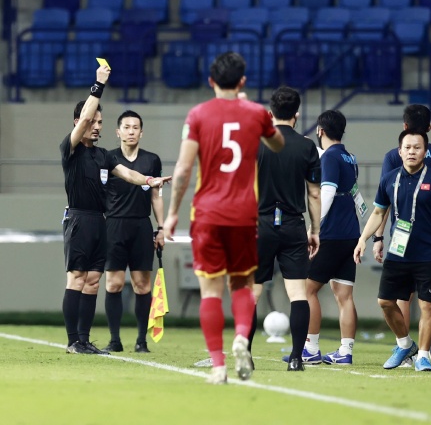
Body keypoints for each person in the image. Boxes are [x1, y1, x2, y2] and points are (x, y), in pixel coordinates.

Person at [163, 52, 285, 385]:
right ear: (242, 81)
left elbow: (185, 168)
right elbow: (277, 143)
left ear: (211, 81)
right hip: (245, 215)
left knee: (210, 291)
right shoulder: (257, 113)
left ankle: (218, 366)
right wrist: (258, 117)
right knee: (243, 284)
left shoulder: (199, 114)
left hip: (208, 213)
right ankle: (241, 338)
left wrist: (172, 213)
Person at [60, 66, 170, 355]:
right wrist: (98, 84)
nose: (96, 125)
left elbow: (128, 174)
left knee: (94, 281)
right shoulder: (70, 149)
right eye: (92, 121)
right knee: (76, 278)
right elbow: (85, 115)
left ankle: (84, 340)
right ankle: (73, 341)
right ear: (79, 123)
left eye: (100, 122)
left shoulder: (102, 155)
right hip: (79, 219)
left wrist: (149, 180)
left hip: (100, 221)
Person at [354, 130, 431, 372]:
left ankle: (423, 356)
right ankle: (405, 344)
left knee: (427, 305)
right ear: (400, 151)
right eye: (408, 147)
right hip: (398, 253)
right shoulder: (389, 179)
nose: (412, 151)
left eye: (417, 147)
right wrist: (364, 239)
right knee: (385, 301)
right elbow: (377, 213)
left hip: (430, 254)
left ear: (425, 151)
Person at [248, 86, 321, 372]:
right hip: (293, 224)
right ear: (297, 114)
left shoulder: (255, 143)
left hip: (259, 224)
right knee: (297, 294)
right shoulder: (307, 147)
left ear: (269, 113)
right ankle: (296, 358)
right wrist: (315, 230)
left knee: (251, 293)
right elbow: (314, 194)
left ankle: (247, 355)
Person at [102, 110, 165, 354]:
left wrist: (160, 228)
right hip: (114, 226)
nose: (130, 131)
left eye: (135, 127)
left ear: (141, 132)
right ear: (118, 132)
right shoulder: (108, 158)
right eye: (126, 127)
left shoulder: (152, 160)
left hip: (141, 226)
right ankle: (114, 340)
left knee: (142, 286)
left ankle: (141, 341)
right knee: (114, 284)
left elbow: (157, 196)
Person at [303, 110, 361, 365]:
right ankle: (345, 351)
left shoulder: (329, 157)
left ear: (320, 130)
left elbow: (326, 193)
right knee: (344, 295)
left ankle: (311, 348)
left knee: (307, 289)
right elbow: (358, 198)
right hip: (351, 234)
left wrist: (314, 228)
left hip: (331, 234)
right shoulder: (351, 158)